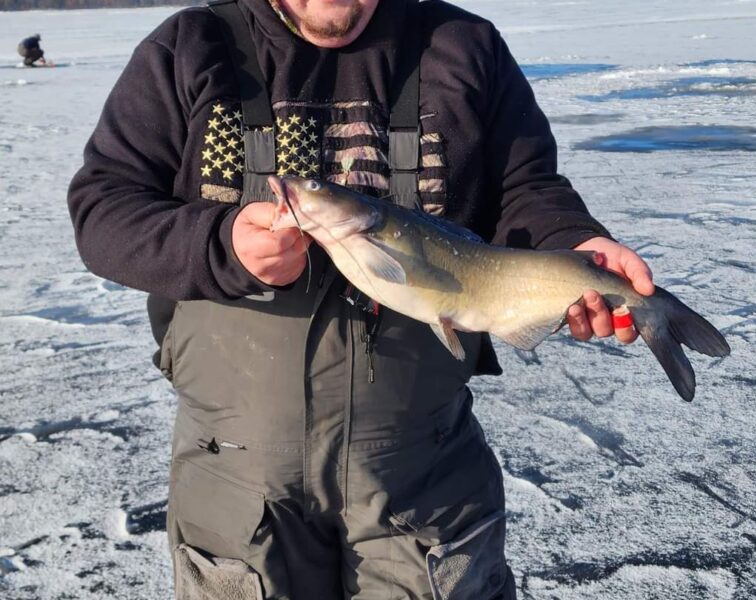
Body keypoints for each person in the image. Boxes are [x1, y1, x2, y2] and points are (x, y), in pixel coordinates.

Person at [67, 0, 655, 598]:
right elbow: (104, 211)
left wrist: (573, 243)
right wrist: (221, 246)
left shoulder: (461, 45)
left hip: (424, 481)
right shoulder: (190, 47)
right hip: (237, 484)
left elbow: (525, 188)